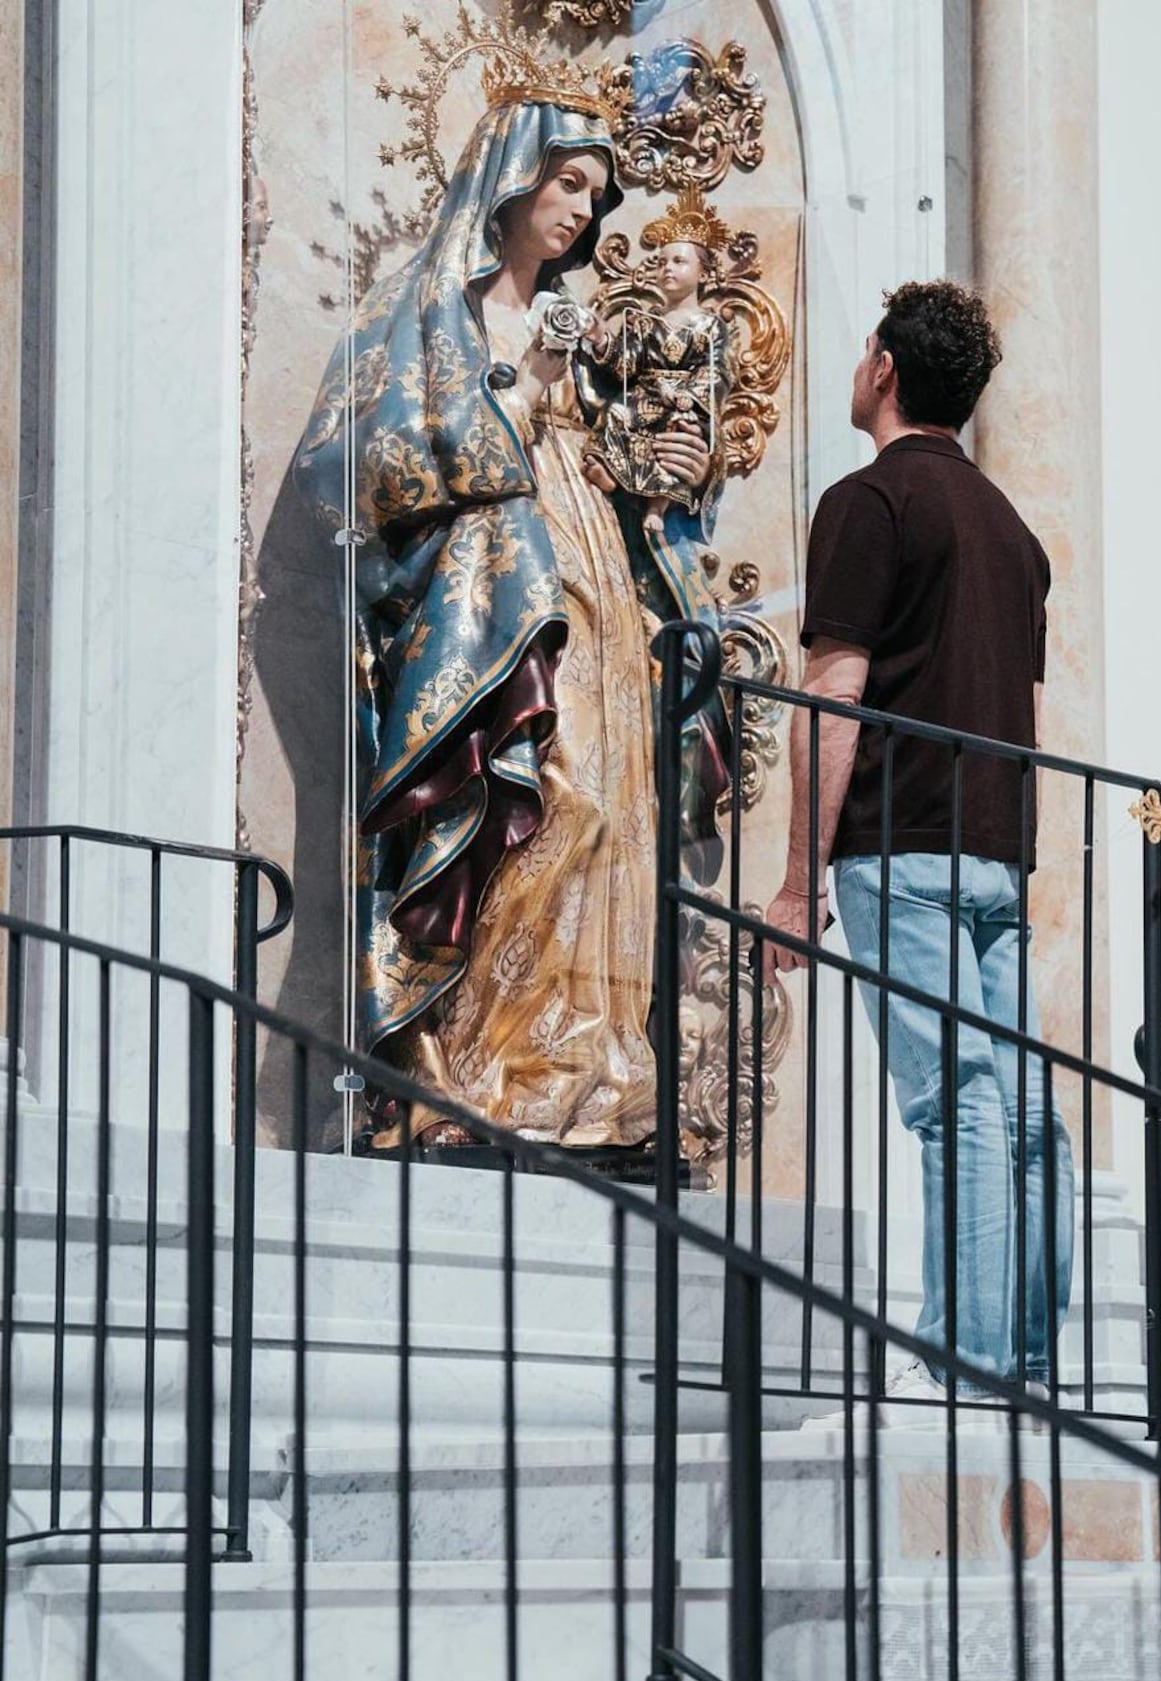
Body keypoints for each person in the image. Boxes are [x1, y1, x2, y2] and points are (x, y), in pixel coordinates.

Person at [293, 65, 728, 1160]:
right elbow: (347, 464)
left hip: (586, 580)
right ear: (513, 176)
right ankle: (471, 1066)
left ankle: (580, 1069)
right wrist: (520, 398)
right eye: (568, 183)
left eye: (594, 195)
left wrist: (658, 457)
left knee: (602, 802)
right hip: (486, 602)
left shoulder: (567, 316)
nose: (582, 211)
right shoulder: (429, 314)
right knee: (532, 790)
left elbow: (605, 452)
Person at [765, 280, 1073, 1410]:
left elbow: (834, 691)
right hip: (996, 848)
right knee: (1023, 1109)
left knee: (954, 1103)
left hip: (902, 847)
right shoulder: (1012, 530)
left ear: (887, 370)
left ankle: (964, 1363)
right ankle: (1028, 1362)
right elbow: (1022, 716)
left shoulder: (870, 501)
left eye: (863, 351)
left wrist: (800, 885)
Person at [582, 187, 731, 535]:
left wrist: (689, 396)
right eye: (662, 262)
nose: (667, 269)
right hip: (646, 397)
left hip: (680, 404)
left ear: (703, 273)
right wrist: (603, 340)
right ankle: (614, 476)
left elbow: (718, 371)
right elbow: (626, 364)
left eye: (679, 261)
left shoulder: (710, 326)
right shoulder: (644, 321)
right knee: (617, 413)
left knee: (676, 438)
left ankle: (658, 505)